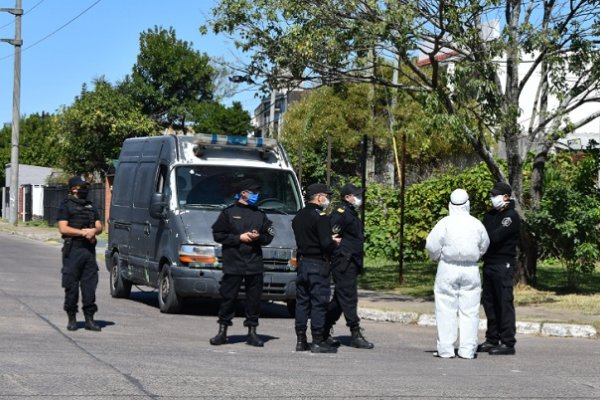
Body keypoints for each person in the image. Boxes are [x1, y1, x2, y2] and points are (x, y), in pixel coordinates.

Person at [425, 189, 489, 359]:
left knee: (446, 308)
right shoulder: (476, 223)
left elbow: (431, 245)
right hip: (471, 269)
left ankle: (445, 349)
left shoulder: (444, 223)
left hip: (448, 267)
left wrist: (437, 256)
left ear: (450, 205)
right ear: (468, 203)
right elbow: (485, 244)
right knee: (470, 310)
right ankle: (467, 350)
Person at [209, 179, 274, 347]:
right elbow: (218, 234)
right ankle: (222, 331)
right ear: (243, 193)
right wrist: (239, 238)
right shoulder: (228, 213)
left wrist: (259, 237)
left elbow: (269, 235)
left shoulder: (260, 214)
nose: (256, 195)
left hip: (254, 263)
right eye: (253, 192)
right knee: (228, 298)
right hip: (234, 262)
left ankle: (252, 332)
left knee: (254, 300)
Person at [323, 183, 374, 349]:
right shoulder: (341, 213)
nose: (359, 198)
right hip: (343, 262)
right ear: (347, 197)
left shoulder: (351, 213)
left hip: (351, 261)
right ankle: (355, 333)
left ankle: (322, 329)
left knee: (340, 299)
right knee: (349, 297)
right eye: (356, 195)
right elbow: (329, 235)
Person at [291, 183, 341, 353]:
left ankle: (300, 340)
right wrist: (334, 242)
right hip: (318, 264)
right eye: (326, 196)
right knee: (319, 303)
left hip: (302, 263)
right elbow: (325, 243)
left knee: (302, 302)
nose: (327, 200)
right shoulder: (321, 216)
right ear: (319, 197)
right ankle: (318, 340)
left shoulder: (298, 216)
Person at [477, 181, 521, 355]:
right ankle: (492, 338)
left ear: (506, 197)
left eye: (496, 195)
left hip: (503, 264)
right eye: (492, 195)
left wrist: (484, 237)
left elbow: (494, 237)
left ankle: (508, 342)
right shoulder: (490, 215)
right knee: (489, 302)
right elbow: (480, 233)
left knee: (504, 302)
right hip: (489, 263)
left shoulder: (511, 217)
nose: (492, 198)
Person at [57, 176, 103, 332]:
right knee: (71, 286)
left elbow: (99, 226)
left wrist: (94, 231)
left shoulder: (91, 206)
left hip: (88, 251)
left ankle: (90, 319)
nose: (84, 189)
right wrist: (83, 233)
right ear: (73, 188)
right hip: (73, 250)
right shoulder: (66, 205)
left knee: (90, 286)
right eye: (81, 186)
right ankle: (72, 318)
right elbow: (63, 228)